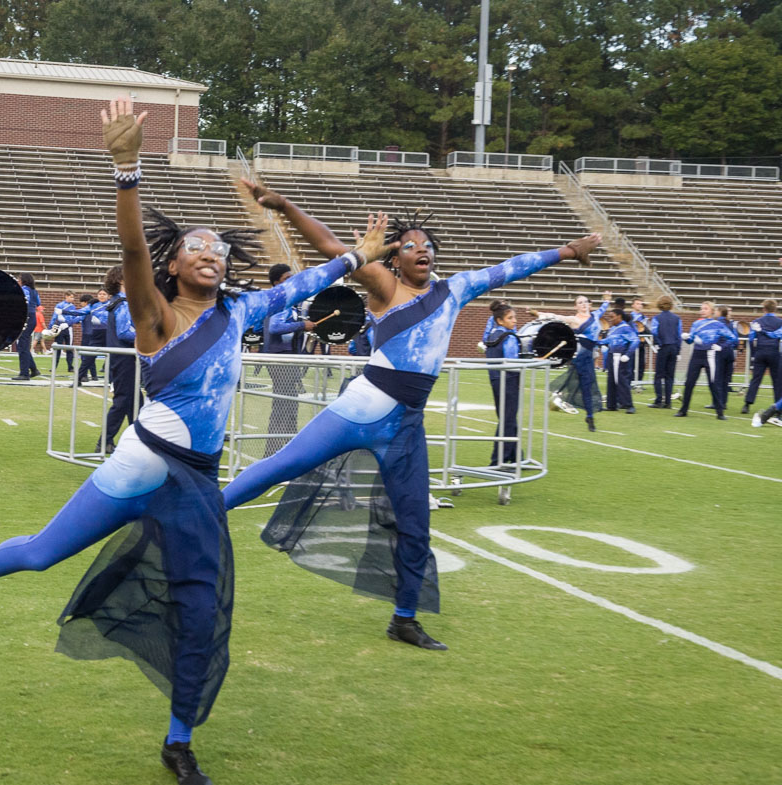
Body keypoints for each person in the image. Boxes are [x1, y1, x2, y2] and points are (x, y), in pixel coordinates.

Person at [0, 96, 386, 785]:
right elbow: (135, 249)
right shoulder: (155, 312)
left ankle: (179, 741)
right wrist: (127, 168)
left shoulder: (241, 311)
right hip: (141, 464)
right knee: (44, 551)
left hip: (196, 484)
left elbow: (316, 281)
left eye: (221, 249)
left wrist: (356, 257)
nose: (213, 254)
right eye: (199, 246)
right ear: (176, 265)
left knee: (201, 609)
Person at [226, 178, 601, 651]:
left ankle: (404, 618)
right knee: (280, 467)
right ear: (395, 259)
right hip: (360, 408)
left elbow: (511, 267)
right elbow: (330, 245)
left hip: (405, 427)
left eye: (426, 246)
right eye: (409, 246)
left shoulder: (455, 289)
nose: (420, 251)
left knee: (415, 524)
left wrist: (567, 250)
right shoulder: (382, 284)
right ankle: (200, 515)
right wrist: (283, 205)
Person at [532, 292, 611, 431]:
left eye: (585, 301)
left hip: (589, 356)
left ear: (589, 304)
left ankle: (589, 415)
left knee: (587, 386)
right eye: (580, 302)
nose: (583, 304)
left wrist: (606, 300)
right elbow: (556, 317)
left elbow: (603, 308)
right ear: (575, 306)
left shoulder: (595, 315)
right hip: (580, 356)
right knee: (582, 384)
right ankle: (563, 398)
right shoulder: (574, 319)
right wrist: (539, 314)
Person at [262, 263, 315, 456]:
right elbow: (274, 327)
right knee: (285, 404)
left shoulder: (278, 300)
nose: (291, 281)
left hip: (282, 357)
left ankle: (282, 448)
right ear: (276, 282)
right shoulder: (280, 301)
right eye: (286, 278)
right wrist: (302, 325)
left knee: (287, 404)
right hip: (280, 359)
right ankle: (277, 450)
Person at [96, 266, 137, 451]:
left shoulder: (116, 302)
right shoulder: (124, 304)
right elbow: (124, 332)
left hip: (121, 356)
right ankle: (104, 441)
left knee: (136, 403)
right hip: (124, 357)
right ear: (121, 281)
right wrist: (145, 336)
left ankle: (139, 441)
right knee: (123, 401)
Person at [674, 300, 737, 419]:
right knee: (689, 383)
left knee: (713, 384)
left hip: (710, 355)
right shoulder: (696, 324)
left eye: (705, 308)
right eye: (701, 308)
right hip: (697, 354)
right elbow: (691, 340)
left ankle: (720, 412)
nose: (702, 310)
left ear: (712, 311)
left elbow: (733, 338)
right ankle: (683, 410)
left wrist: (720, 347)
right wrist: (686, 338)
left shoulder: (718, 324)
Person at [484, 303, 522, 465]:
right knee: (508, 419)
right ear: (500, 321)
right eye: (510, 318)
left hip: (495, 379)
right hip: (509, 381)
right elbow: (513, 363)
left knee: (507, 417)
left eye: (514, 317)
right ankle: (498, 459)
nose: (514, 321)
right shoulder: (509, 337)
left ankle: (516, 456)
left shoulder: (490, 336)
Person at [744, 299, 782, 414]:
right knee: (776, 380)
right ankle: (778, 406)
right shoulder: (781, 322)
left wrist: (753, 353)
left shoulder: (757, 321)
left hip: (761, 351)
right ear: (775, 309)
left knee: (756, 379)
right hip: (774, 352)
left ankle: (747, 403)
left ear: (764, 309)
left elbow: (751, 339)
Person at [597, 308, 638, 413]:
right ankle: (611, 404)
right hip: (612, 355)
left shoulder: (626, 328)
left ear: (619, 316)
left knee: (621, 380)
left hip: (620, 356)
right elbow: (608, 340)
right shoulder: (614, 328)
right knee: (611, 380)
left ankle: (629, 405)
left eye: (612, 317)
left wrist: (628, 354)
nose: (610, 319)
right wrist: (596, 342)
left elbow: (635, 341)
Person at [649, 296, 682, 408]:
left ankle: (659, 400)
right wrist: (678, 350)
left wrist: (658, 343)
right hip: (673, 347)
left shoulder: (656, 318)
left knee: (659, 375)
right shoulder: (677, 318)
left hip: (663, 347)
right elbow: (679, 335)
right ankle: (668, 402)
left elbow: (654, 332)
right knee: (670, 376)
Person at [13, 272, 41, 380]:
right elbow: (38, 303)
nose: (18, 281)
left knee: (22, 346)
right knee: (23, 345)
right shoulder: (34, 290)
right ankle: (33, 369)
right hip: (32, 316)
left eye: (19, 279)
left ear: (23, 280)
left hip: (26, 316)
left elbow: (25, 302)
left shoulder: (24, 289)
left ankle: (24, 373)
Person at [50, 291, 79, 373]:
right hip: (59, 328)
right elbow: (54, 316)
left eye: (73, 297)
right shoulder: (59, 305)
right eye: (71, 297)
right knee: (57, 348)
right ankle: (54, 366)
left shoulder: (73, 306)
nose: (72, 299)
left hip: (68, 328)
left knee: (69, 348)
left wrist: (75, 321)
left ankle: (70, 367)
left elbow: (74, 316)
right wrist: (50, 327)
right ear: (66, 296)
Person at [629, 297, 649, 382]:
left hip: (641, 343)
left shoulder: (644, 317)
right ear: (633, 305)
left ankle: (639, 381)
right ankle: (631, 380)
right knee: (631, 363)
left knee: (641, 363)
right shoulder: (629, 317)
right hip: (632, 343)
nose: (639, 305)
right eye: (637, 303)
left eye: (641, 304)